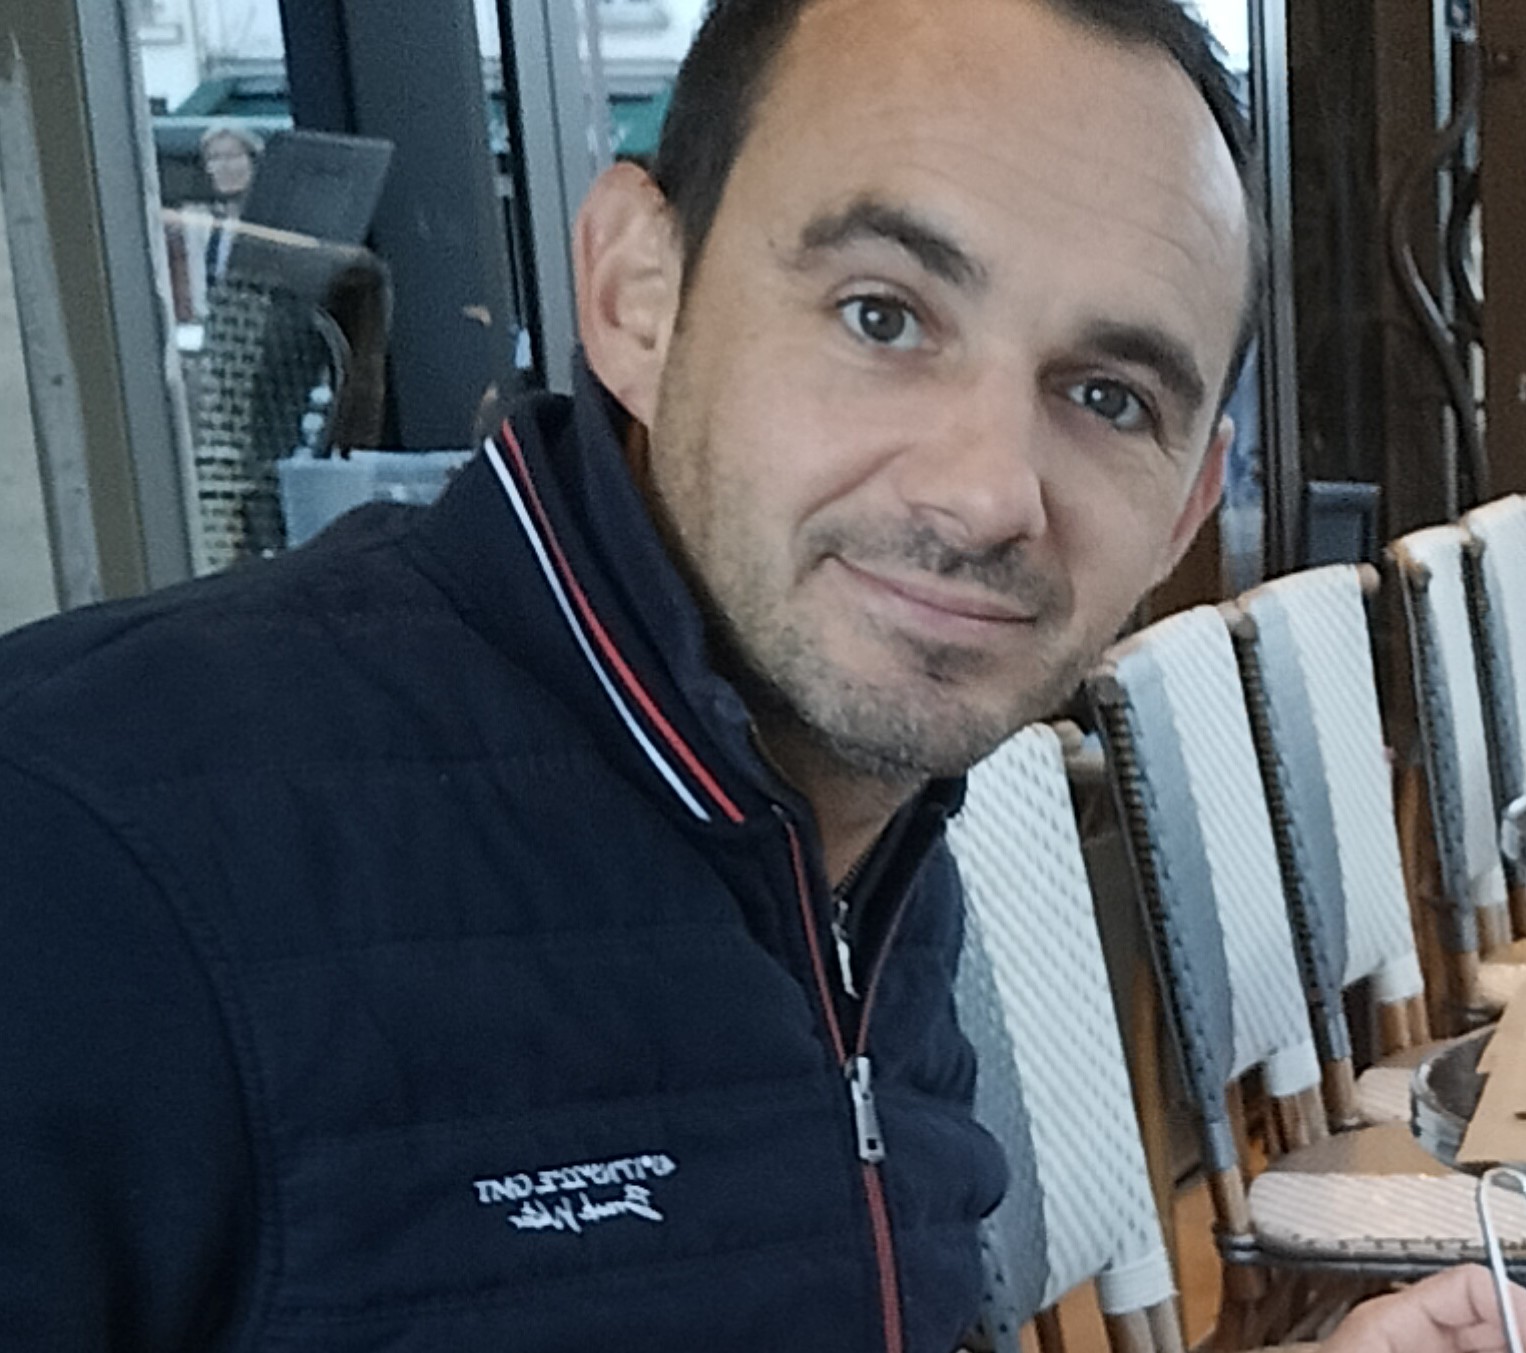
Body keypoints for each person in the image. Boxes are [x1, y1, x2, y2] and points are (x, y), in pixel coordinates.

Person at [0, 1, 1516, 1349]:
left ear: (1184, 508)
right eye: (882, 316)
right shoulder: (79, 857)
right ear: (635, 294)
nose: (986, 493)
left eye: (1108, 397)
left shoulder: (858, 821)